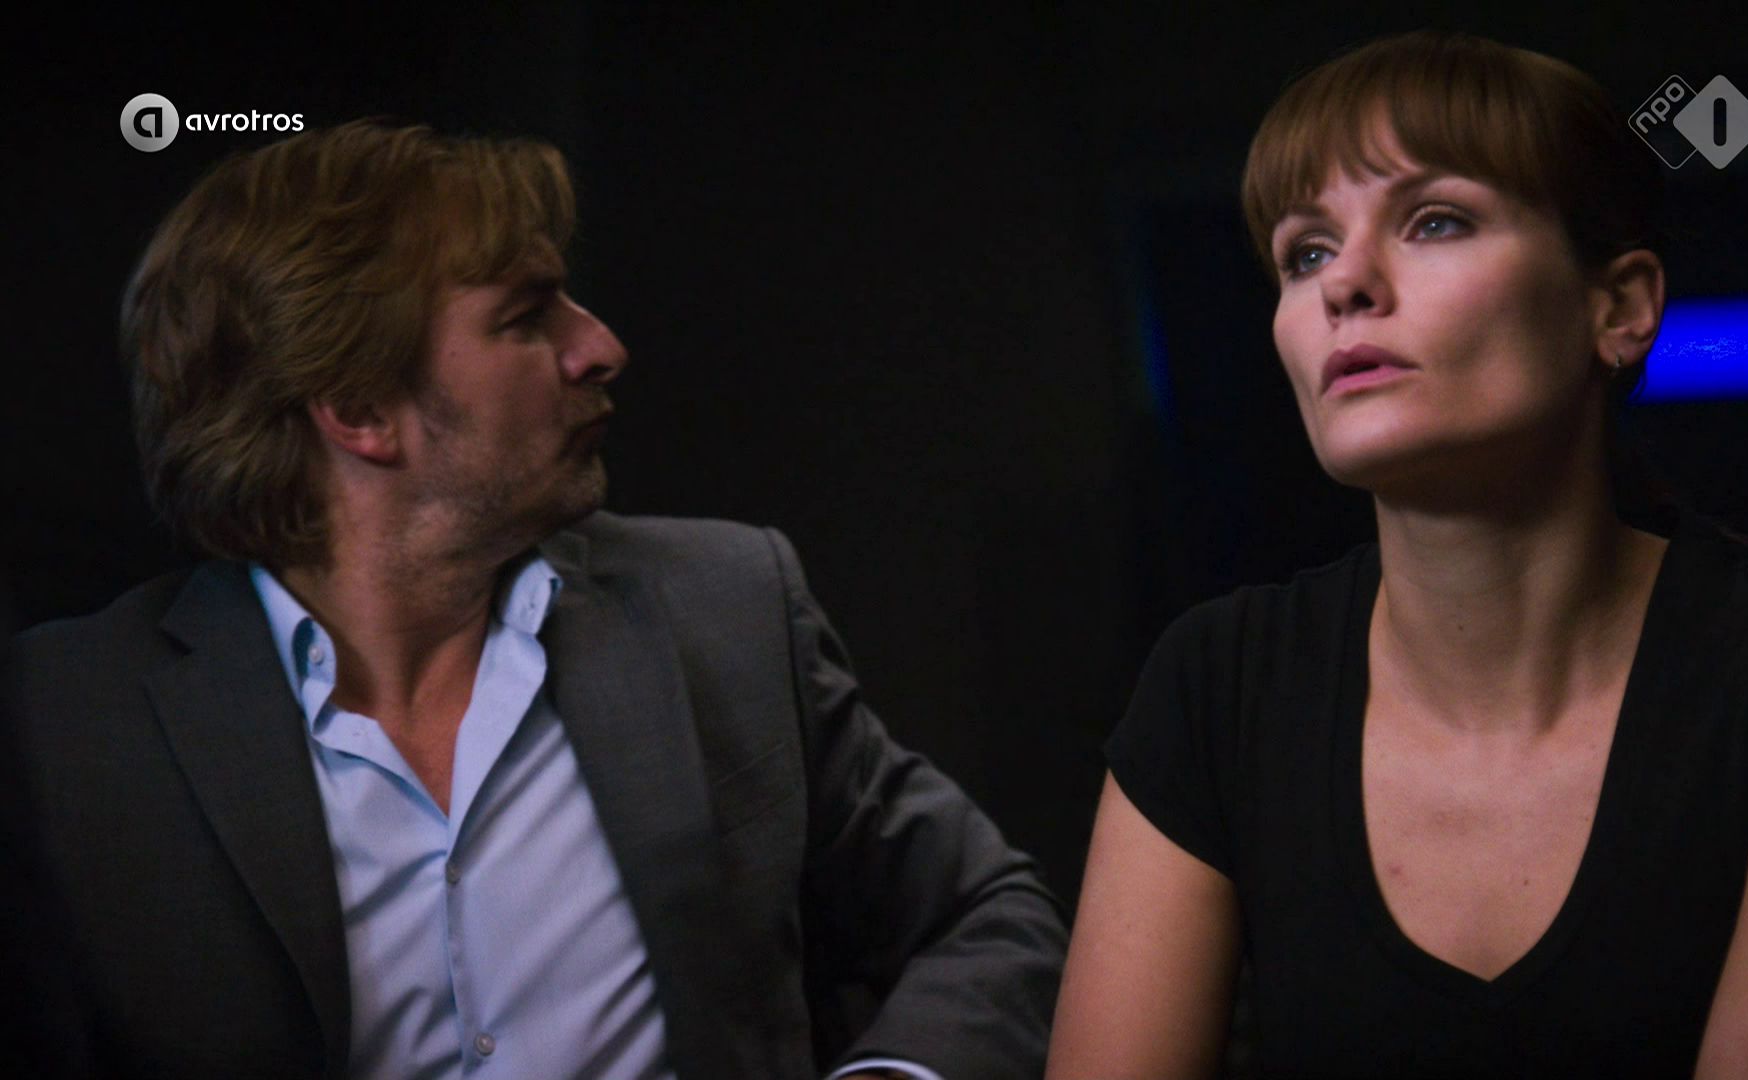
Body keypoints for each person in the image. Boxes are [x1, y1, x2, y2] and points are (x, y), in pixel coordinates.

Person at [0, 119, 1065, 1079]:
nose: (600, 347)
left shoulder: (725, 608)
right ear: (359, 409)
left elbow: (987, 916)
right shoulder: (63, 726)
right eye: (524, 317)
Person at [1050, 31, 1748, 1079]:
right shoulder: (1216, 686)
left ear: (1619, 308)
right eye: (1305, 253)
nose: (1343, 285)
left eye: (1436, 221)